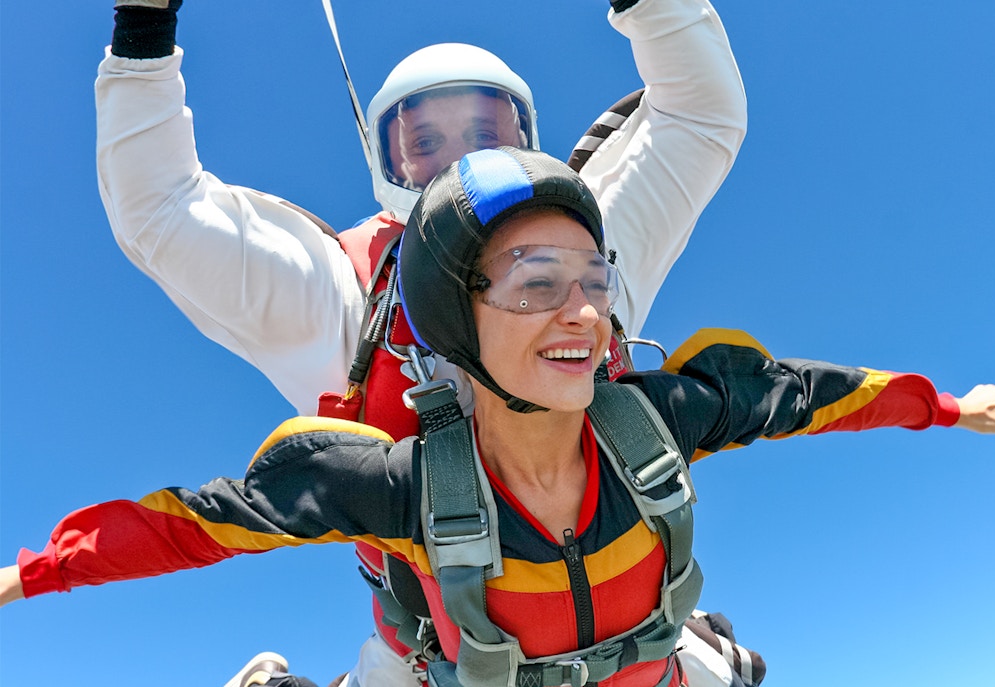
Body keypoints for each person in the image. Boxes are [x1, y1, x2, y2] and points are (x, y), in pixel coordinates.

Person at [1, 148, 995, 687]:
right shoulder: (391, 484)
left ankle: (715, 653)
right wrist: (22, 576)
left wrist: (949, 407)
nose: (585, 313)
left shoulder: (662, 416)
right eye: (537, 282)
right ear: (459, 317)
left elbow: (810, 398)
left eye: (594, 278)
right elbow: (184, 526)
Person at [100, 1, 749, 683]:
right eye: (425, 144)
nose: (459, 162)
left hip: (640, 645)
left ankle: (711, 646)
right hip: (431, 664)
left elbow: (699, 117)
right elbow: (162, 213)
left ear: (526, 139)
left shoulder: (589, 246)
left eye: (484, 131)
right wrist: (144, 26)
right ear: (386, 163)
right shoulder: (341, 296)